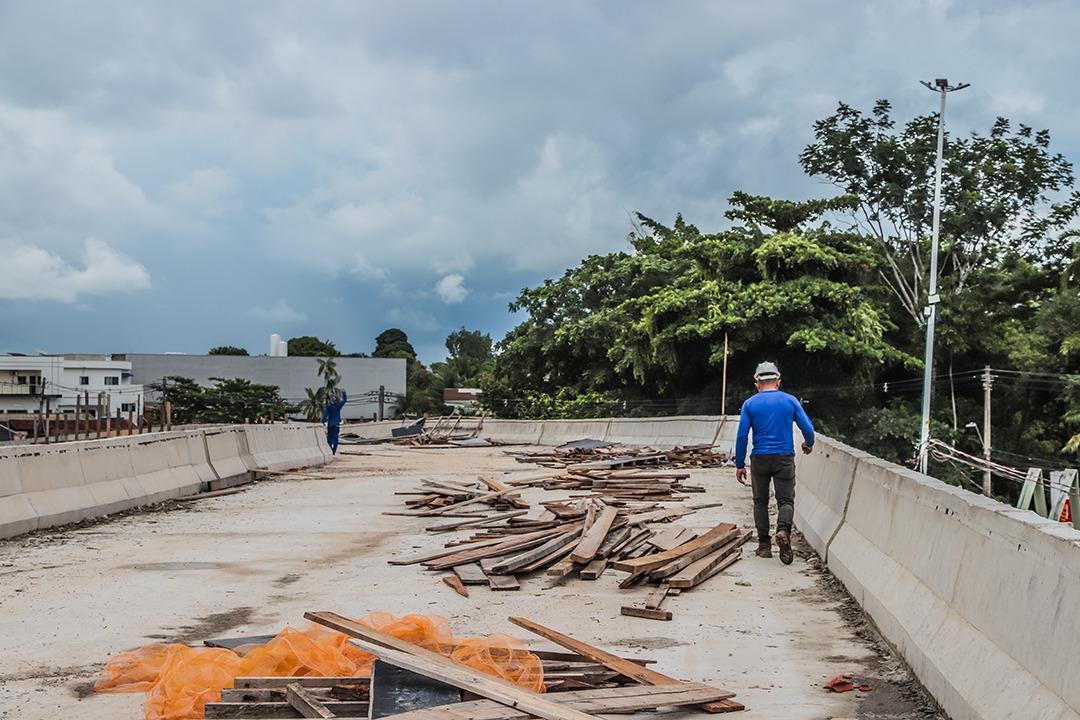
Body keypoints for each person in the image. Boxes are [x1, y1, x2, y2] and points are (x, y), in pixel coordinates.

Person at [734, 362, 814, 565]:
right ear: (778, 382)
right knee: (785, 501)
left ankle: (764, 546)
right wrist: (808, 443)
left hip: (759, 458)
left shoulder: (750, 404)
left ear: (757, 384)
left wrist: (740, 464)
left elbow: (742, 435)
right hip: (784, 457)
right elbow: (808, 428)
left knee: (760, 501)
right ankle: (783, 531)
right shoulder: (790, 401)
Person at [321, 390, 347, 455]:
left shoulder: (329, 407)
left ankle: (330, 449)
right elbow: (344, 400)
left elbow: (325, 415)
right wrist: (344, 393)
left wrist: (322, 421)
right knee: (335, 437)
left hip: (330, 425)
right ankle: (334, 451)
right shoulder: (338, 406)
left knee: (329, 437)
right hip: (336, 425)